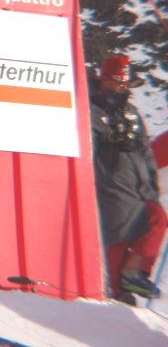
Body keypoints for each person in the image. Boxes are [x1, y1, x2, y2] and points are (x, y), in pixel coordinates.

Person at [90, 54, 168, 303]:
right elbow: (88, 147)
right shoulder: (92, 109)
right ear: (105, 79)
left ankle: (133, 274)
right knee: (117, 243)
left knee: (156, 218)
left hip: (137, 189)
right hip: (110, 190)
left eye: (124, 81)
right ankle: (118, 294)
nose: (121, 85)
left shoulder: (131, 112)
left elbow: (146, 151)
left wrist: (152, 187)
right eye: (117, 80)